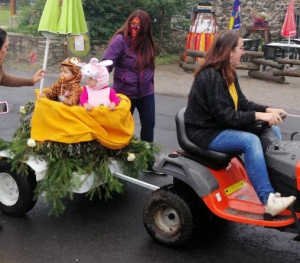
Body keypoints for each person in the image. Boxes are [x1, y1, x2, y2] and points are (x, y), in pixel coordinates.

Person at [184, 30, 296, 217]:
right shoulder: (210, 76)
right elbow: (224, 116)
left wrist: (268, 110)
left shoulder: (228, 73)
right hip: (205, 131)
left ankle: (275, 186)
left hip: (218, 126)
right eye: (241, 48)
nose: (243, 52)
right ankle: (268, 200)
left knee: (272, 129)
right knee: (250, 141)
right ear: (229, 52)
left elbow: (242, 104)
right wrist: (259, 116)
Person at [101, 10, 159, 172]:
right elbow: (106, 63)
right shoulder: (120, 40)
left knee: (149, 125)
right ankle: (118, 159)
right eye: (132, 24)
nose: (135, 28)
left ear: (145, 28)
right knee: (122, 126)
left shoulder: (147, 41)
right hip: (125, 93)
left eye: (139, 26)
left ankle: (148, 161)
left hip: (146, 91)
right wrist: (97, 80)